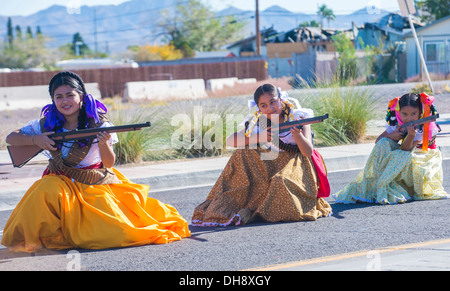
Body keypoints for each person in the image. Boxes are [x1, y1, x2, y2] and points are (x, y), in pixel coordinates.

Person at [1, 71, 190, 253]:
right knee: (46, 188)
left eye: (70, 95)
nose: (65, 101)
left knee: (119, 233)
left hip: (92, 183)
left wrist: (103, 143)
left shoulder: (99, 124)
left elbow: (109, 163)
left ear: (81, 97)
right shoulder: (44, 124)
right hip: (59, 183)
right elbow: (11, 138)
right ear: (53, 100)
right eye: (59, 97)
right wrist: (36, 140)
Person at [192, 84, 332, 226]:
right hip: (270, 162)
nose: (270, 108)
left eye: (273, 102)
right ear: (259, 108)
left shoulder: (297, 117)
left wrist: (298, 136)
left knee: (280, 181)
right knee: (242, 152)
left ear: (281, 99)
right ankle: (245, 207)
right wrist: (260, 137)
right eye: (263, 105)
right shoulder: (258, 122)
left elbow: (307, 152)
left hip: (297, 163)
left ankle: (266, 209)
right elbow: (231, 140)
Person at [333, 92, 449, 205]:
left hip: (424, 157)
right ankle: (379, 181)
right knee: (384, 143)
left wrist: (411, 135)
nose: (408, 118)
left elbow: (405, 150)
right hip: (407, 155)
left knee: (400, 155)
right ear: (399, 112)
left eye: (413, 113)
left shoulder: (427, 127)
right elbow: (378, 141)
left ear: (420, 112)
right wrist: (391, 136)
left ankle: (387, 184)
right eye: (404, 114)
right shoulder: (397, 122)